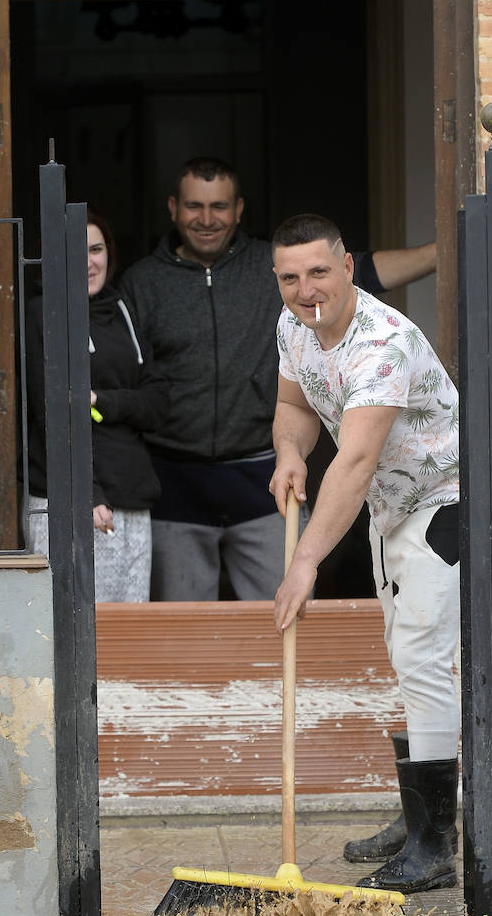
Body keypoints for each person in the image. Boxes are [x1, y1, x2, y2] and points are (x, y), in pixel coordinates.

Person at [119, 156, 437, 602]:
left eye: (220, 206)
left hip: (259, 479)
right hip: (176, 482)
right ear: (173, 207)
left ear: (240, 208)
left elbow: (369, 270)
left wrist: (450, 249)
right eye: (195, 206)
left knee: (285, 613)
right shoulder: (142, 282)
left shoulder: (293, 282)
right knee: (185, 633)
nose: (207, 219)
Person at [268, 212, 460, 896]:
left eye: (318, 271)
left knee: (424, 657)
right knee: (406, 656)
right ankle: (421, 820)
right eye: (290, 277)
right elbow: (294, 405)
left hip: (442, 498)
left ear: (349, 267)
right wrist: (290, 450)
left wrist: (306, 562)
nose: (305, 288)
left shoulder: (383, 342)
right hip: (390, 508)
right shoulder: (296, 325)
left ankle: (436, 845)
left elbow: (352, 461)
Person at [25, 209, 168, 601]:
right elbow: (51, 413)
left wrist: (98, 400)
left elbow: (158, 405)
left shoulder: (123, 311)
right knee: (78, 633)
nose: (88, 262)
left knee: (128, 632)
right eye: (74, 251)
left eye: (96, 249)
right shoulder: (44, 315)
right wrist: (85, 493)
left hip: (132, 497)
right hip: (78, 500)